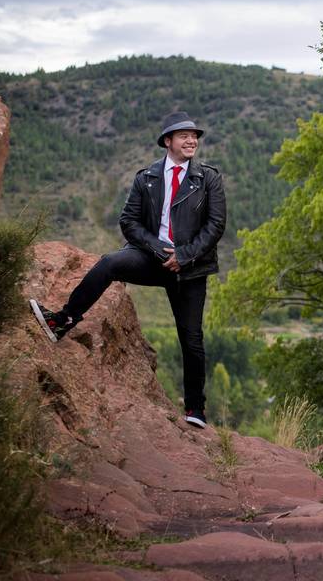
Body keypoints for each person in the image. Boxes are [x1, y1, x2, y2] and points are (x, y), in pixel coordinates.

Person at [29, 111, 227, 429]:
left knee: (191, 339)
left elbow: (216, 225)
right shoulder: (146, 177)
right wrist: (158, 250)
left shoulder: (209, 179)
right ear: (168, 141)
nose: (192, 140)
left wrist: (184, 255)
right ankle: (62, 321)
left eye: (195, 136)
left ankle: (195, 409)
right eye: (184, 135)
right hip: (154, 258)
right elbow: (129, 222)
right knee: (109, 263)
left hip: (189, 268)